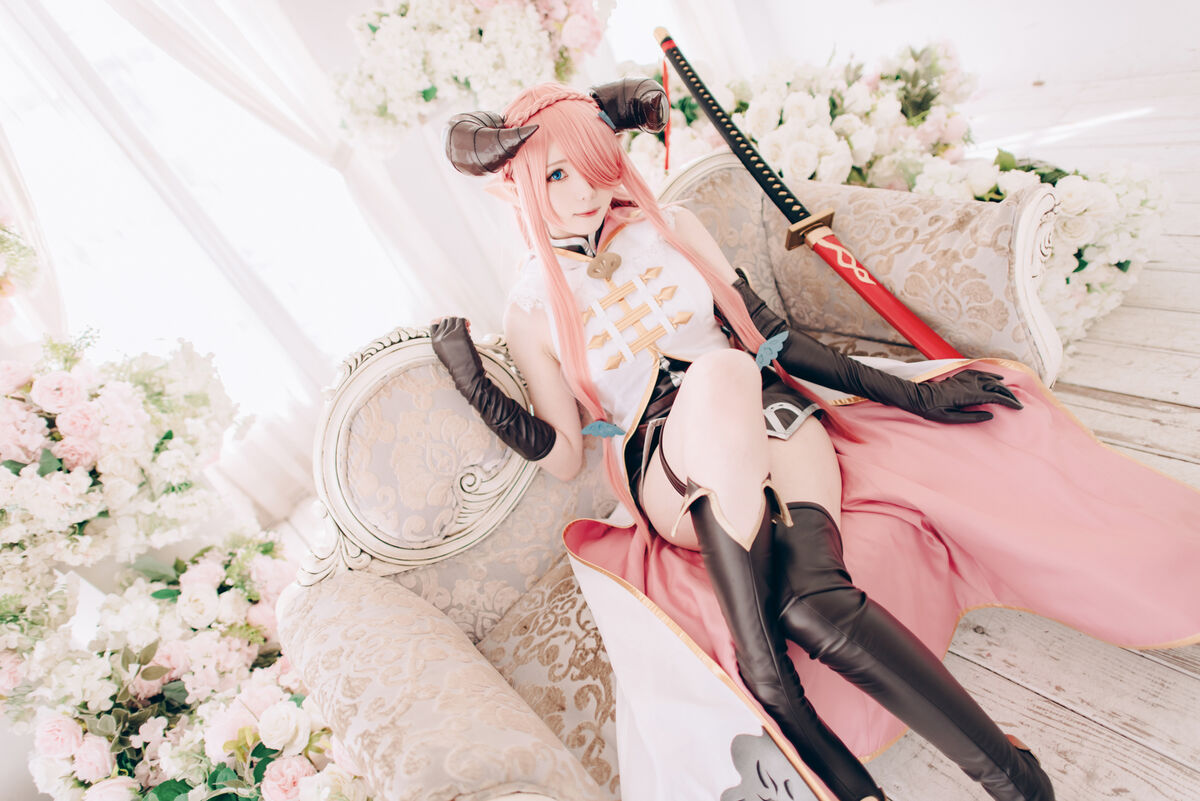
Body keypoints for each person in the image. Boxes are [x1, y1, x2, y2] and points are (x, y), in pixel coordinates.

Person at [432, 79, 1200, 801]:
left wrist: (913, 391)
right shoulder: (532, 305)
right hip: (666, 463)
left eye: (597, 164)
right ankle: (766, 668)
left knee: (817, 603)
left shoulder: (671, 229)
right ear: (520, 184)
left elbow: (770, 341)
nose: (587, 190)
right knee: (718, 375)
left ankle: (1014, 777)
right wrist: (481, 391)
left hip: (766, 412)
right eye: (558, 175)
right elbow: (566, 454)